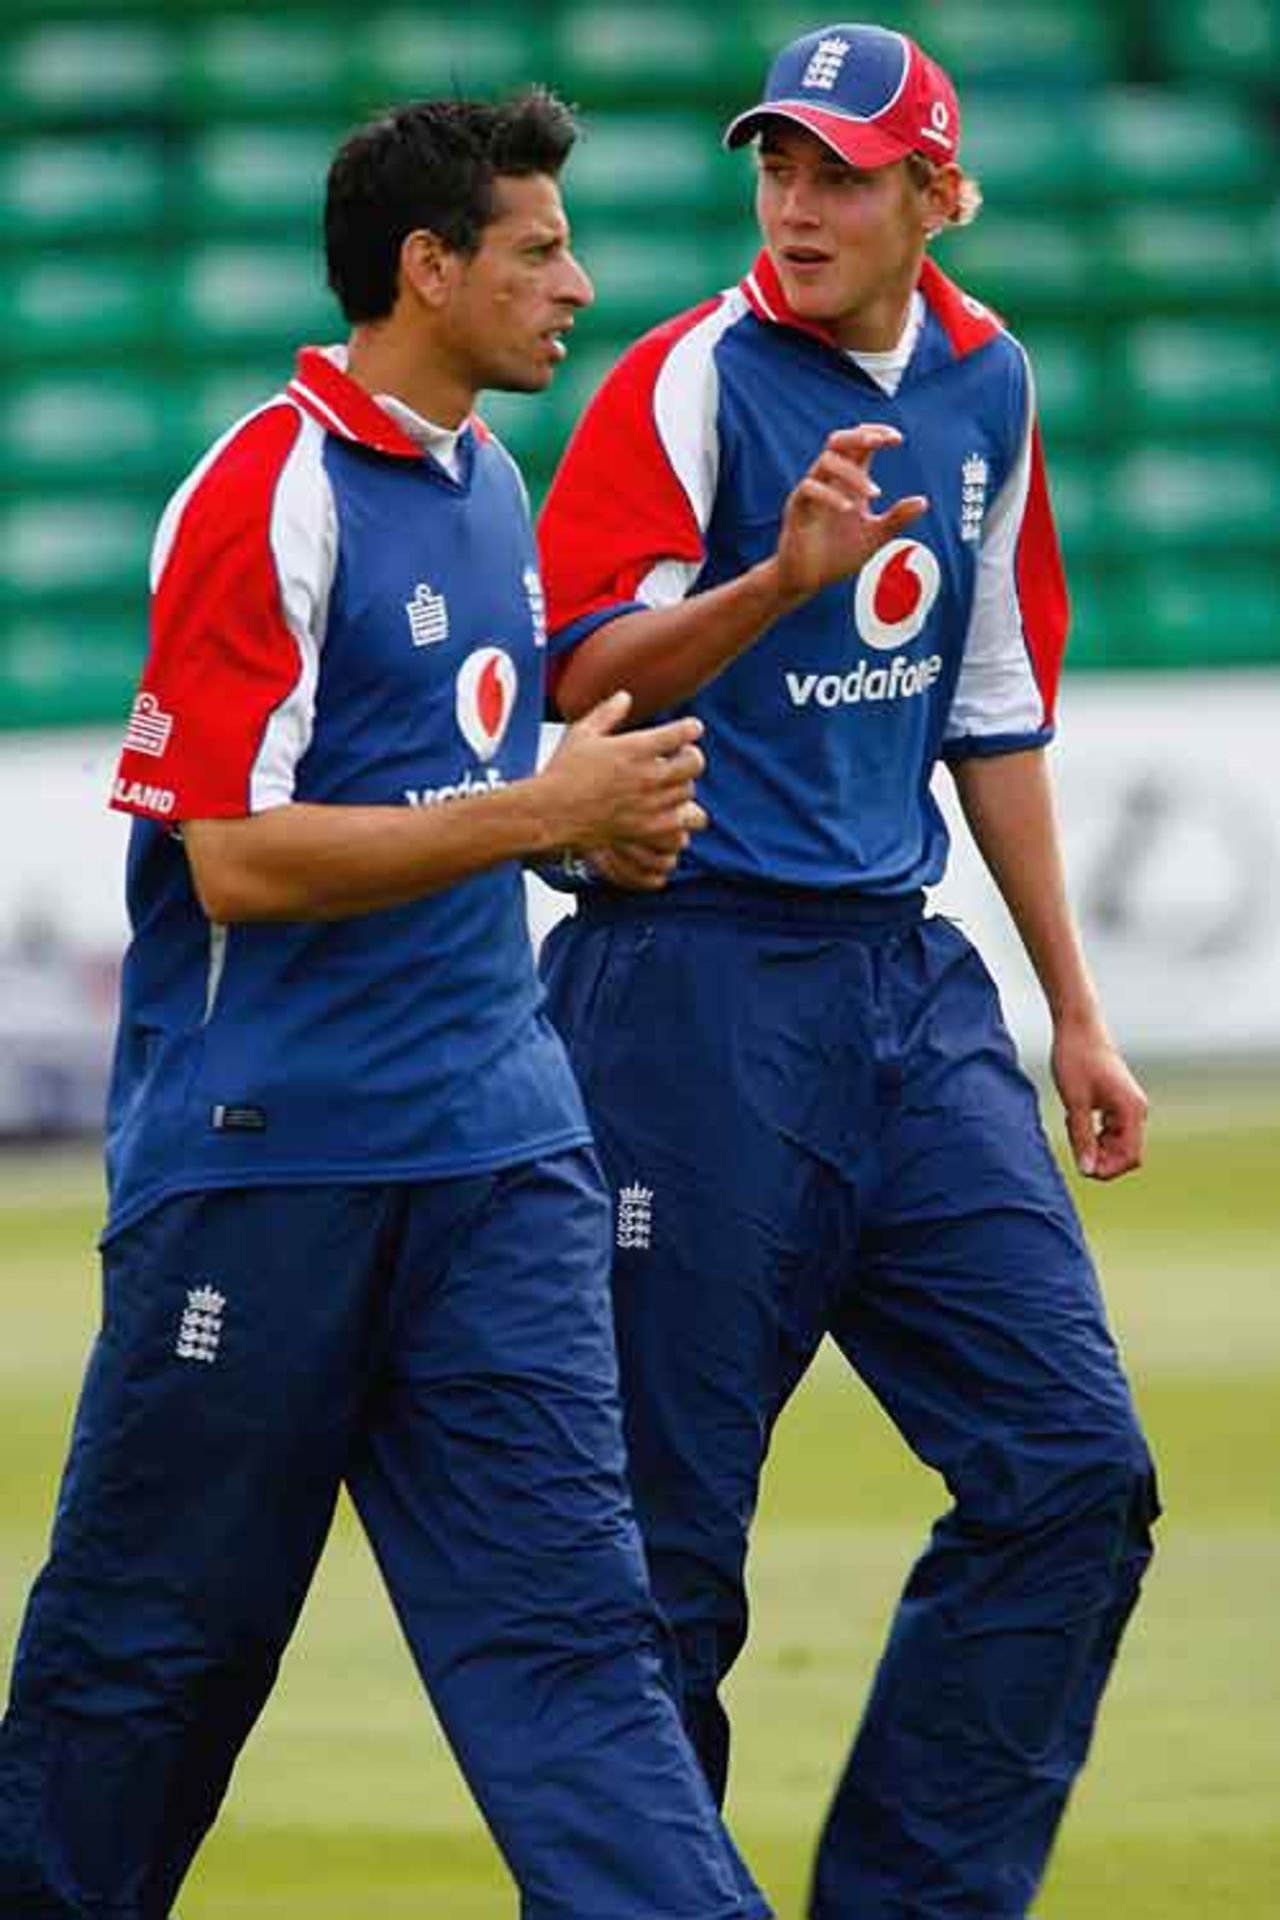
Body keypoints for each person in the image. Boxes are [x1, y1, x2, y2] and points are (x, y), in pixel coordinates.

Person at [0, 92, 772, 1920]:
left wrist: (588, 843)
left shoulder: (492, 483)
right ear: (426, 270)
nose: (578, 281)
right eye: (536, 249)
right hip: (268, 1176)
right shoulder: (264, 489)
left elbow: (458, 790)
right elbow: (235, 861)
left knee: (591, 1661)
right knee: (140, 1683)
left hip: (502, 1158)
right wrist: (541, 813)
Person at [537, 24, 1159, 1920]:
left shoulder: (993, 379)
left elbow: (991, 707)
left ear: (932, 197)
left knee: (1076, 1474)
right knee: (661, 1563)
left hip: (909, 984)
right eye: (778, 168)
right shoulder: (688, 382)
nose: (798, 206)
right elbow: (582, 686)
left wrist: (1071, 1006)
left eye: (844, 175)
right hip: (689, 989)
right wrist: (779, 581)